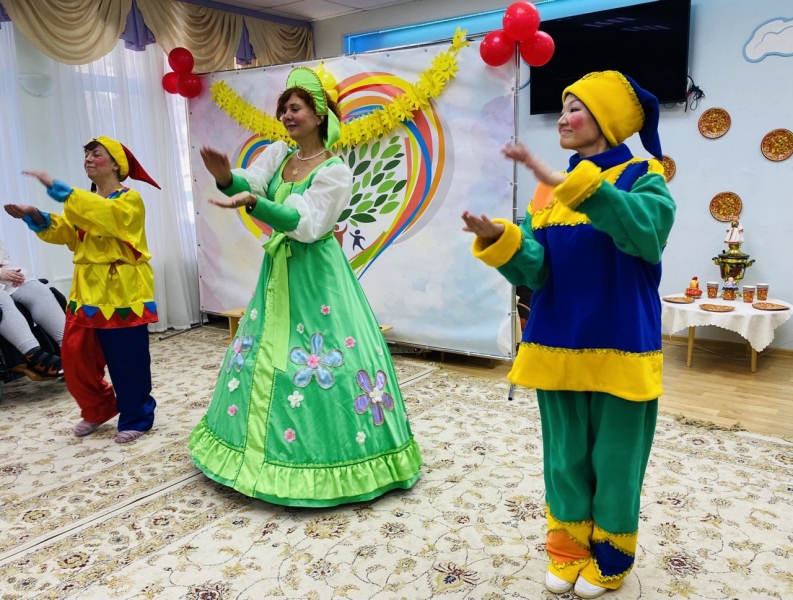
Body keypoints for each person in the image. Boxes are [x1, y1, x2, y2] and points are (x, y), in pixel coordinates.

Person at [462, 71, 676, 598]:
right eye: (562, 107)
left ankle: (612, 555)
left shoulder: (644, 175)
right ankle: (567, 549)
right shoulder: (546, 191)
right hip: (555, 342)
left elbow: (645, 234)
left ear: (606, 118)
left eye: (574, 107)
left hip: (624, 343)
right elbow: (537, 271)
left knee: (616, 461)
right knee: (564, 460)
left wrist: (571, 183)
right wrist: (501, 239)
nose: (562, 118)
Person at [190, 67, 422, 507]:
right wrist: (225, 179)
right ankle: (253, 450)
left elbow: (306, 223)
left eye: (295, 108)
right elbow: (250, 183)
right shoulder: (279, 154)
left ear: (319, 115)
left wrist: (255, 203)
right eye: (283, 109)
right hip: (279, 272)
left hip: (316, 274)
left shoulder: (334, 171)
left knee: (324, 356)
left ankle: (331, 457)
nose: (286, 116)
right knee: (264, 352)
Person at [4, 136, 160, 443]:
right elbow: (69, 232)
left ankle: (137, 417)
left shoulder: (129, 200)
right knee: (75, 360)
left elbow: (105, 216)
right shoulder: (86, 203)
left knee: (127, 361)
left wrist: (57, 187)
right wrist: (34, 214)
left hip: (122, 293)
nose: (88, 158)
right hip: (86, 292)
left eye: (96, 154)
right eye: (86, 154)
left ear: (115, 164)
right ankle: (99, 407)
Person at [0, 239, 64, 379]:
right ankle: (34, 356)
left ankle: (69, 348)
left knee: (37, 289)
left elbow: (5, 261)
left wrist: (15, 274)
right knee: (1, 299)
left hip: (5, 282)